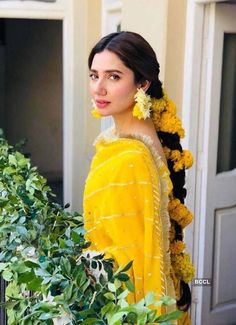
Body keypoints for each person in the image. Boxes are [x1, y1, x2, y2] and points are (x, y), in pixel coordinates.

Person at [83, 31, 195, 324]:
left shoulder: (132, 157)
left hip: (128, 306)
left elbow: (131, 264)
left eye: (114, 77)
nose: (99, 88)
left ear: (142, 83)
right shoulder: (126, 139)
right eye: (94, 75)